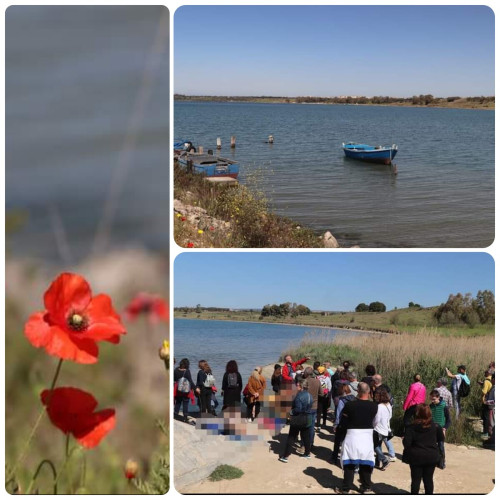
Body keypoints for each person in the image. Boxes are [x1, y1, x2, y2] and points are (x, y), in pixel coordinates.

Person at [334, 382, 378, 495]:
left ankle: (346, 488)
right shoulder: (374, 406)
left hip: (352, 434)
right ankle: (366, 486)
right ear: (368, 392)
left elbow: (344, 422)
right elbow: (375, 422)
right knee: (366, 462)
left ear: (357, 391)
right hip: (367, 435)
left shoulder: (349, 405)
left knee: (349, 462)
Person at [403, 404, 445, 494]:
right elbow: (441, 439)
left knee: (415, 480)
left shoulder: (411, 427)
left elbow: (407, 444)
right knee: (428, 480)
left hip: (416, 457)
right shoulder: (436, 426)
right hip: (431, 456)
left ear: (416, 414)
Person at [278, 378, 314, 462]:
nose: (296, 386)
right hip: (308, 418)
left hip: (298, 419)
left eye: (297, 385)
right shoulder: (310, 395)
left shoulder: (299, 396)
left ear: (301, 386)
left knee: (291, 437)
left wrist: (290, 412)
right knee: (306, 436)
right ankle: (307, 453)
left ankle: (285, 456)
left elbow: (298, 409)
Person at [331, 384, 356, 466]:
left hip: (342, 424)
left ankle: (334, 458)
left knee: (337, 441)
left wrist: (335, 424)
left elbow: (339, 414)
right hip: (351, 424)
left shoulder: (342, 400)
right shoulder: (355, 399)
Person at [429, 389, 451, 468]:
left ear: (438, 397)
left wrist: (445, 428)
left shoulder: (443, 406)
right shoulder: (430, 406)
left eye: (434, 399)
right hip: (432, 429)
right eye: (431, 399)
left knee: (441, 446)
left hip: (441, 429)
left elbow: (448, 420)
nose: (432, 401)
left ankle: (442, 461)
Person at [373, 388, 393, 471]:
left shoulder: (379, 406)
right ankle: (377, 462)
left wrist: (372, 425)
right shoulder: (388, 404)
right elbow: (390, 416)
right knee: (379, 445)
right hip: (385, 429)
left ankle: (384, 460)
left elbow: (376, 419)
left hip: (378, 429)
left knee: (374, 446)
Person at [302, 366, 322, 447]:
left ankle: (304, 444)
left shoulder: (304, 382)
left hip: (305, 406)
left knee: (304, 426)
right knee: (311, 426)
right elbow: (322, 393)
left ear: (306, 373)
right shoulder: (317, 382)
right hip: (314, 406)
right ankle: (310, 443)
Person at [481, 370, 493, 438]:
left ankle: (485, 434)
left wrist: (482, 393)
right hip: (491, 402)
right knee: (489, 418)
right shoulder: (492, 380)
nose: (484, 373)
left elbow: (484, 392)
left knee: (485, 419)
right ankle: (488, 433)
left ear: (489, 373)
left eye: (485, 372)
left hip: (486, 402)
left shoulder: (486, 381)